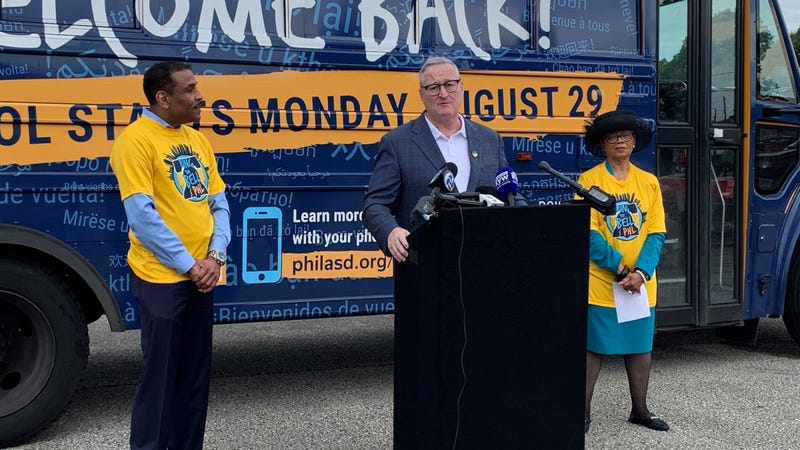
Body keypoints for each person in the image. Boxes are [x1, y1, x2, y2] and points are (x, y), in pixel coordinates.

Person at [110, 61, 231, 450]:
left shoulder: (197, 141)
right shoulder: (136, 140)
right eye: (190, 89)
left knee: (194, 379)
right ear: (163, 98)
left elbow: (219, 203)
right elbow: (143, 217)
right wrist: (189, 264)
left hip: (202, 274)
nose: (201, 96)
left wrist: (215, 256)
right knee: (159, 378)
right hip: (163, 279)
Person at [363, 55, 524, 261]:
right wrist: (391, 233)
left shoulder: (490, 139)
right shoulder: (397, 142)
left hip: (486, 263)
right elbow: (375, 204)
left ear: (461, 87)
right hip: (426, 267)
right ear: (421, 94)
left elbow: (510, 196)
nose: (443, 93)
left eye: (449, 84)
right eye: (433, 87)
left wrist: (527, 222)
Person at [579, 109, 669, 433]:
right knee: (594, 347)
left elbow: (657, 232)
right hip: (603, 281)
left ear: (634, 142)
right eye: (613, 136)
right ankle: (582, 412)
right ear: (603, 143)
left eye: (626, 135)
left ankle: (640, 410)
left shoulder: (649, 182)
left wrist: (641, 273)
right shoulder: (589, 181)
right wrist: (619, 269)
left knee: (640, 345)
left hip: (640, 283)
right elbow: (588, 233)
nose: (620, 140)